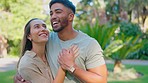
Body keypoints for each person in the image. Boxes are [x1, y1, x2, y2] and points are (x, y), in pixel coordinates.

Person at [14, 0, 108, 83]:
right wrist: (20, 76)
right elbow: (30, 58)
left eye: (58, 12)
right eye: (51, 13)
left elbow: (101, 80)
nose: (53, 16)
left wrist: (72, 67)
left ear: (70, 17)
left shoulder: (89, 44)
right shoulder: (47, 38)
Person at [17, 18, 79, 83]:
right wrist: (63, 66)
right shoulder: (27, 63)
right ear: (29, 36)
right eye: (37, 27)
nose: (43, 29)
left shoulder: (49, 51)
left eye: (44, 26)